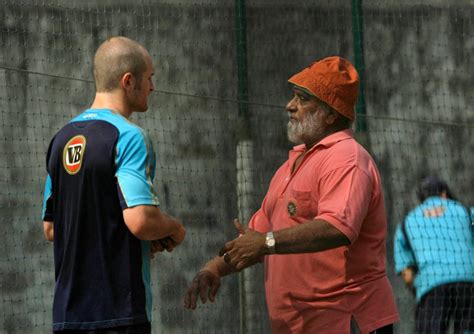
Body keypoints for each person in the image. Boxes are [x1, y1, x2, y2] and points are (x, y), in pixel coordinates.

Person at [184, 56, 399, 333]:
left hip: (345, 321)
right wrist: (213, 268)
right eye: (293, 97)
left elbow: (337, 227)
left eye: (302, 99)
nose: (290, 106)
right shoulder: (291, 164)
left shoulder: (347, 158)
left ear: (331, 113)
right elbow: (255, 237)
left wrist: (266, 242)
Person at [41, 36, 186, 333]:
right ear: (128, 81)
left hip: (67, 316)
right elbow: (141, 220)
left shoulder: (61, 139)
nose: (153, 87)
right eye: (150, 78)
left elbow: (52, 228)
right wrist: (174, 228)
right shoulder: (129, 136)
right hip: (119, 313)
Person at [394, 176, 474, 334]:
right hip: (469, 281)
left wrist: (421, 291)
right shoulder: (464, 210)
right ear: (444, 193)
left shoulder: (406, 223)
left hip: (432, 285)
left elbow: (407, 275)